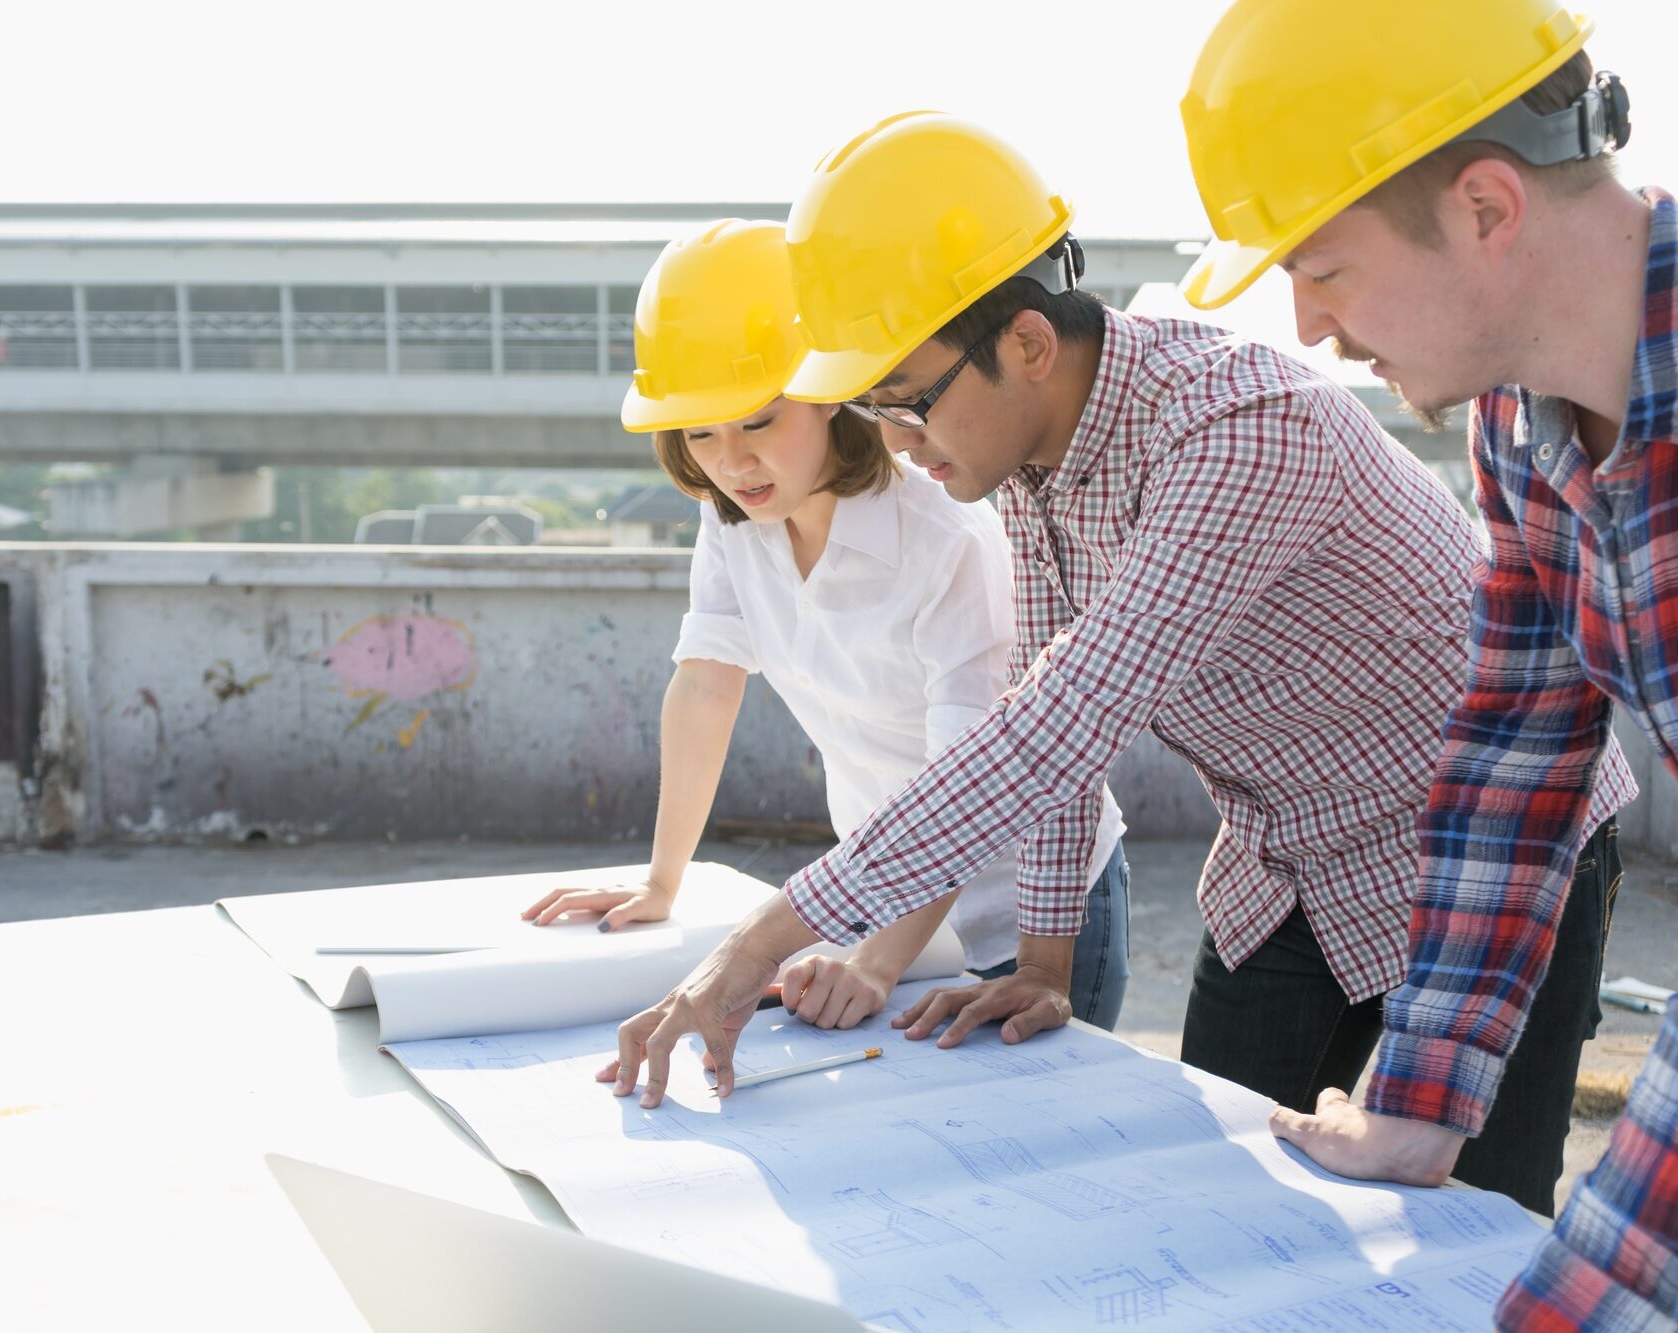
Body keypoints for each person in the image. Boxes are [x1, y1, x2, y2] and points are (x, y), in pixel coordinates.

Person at [607, 113, 1631, 1222]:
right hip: (1282, 865)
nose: (896, 441)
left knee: (1470, 1228)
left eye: (909, 399)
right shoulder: (1019, 470)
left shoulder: (1236, 432)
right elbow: (1046, 729)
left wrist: (755, 946)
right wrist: (1044, 965)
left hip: (1483, 860)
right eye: (873, 408)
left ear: (1028, 348)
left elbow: (1055, 725)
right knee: (1210, 1201)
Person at [1179, 0, 1672, 1320]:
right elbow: (1516, 754)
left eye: (1324, 269)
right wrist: (1421, 1096)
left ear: (1488, 209)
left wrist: (1580, 1298)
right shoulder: (1521, 426)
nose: (1311, 326)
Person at [521, 217, 1130, 1032]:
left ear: (831, 395)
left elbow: (966, 779)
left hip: (1035, 917)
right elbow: (706, 683)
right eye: (700, 432)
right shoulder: (732, 517)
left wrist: (876, 957)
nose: (733, 462)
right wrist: (662, 880)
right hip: (883, 904)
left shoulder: (945, 538)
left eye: (761, 421)